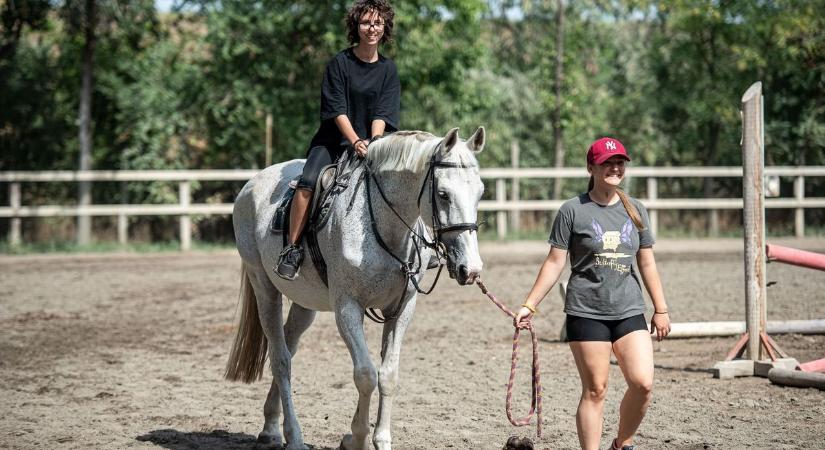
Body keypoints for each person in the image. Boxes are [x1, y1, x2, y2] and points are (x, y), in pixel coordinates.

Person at [514, 137, 671, 450]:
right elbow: (555, 262)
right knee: (596, 390)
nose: (615, 168)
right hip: (586, 311)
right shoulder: (573, 211)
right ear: (591, 168)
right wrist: (530, 304)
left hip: (629, 309)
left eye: (619, 162)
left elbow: (647, 262)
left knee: (642, 383)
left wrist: (661, 308)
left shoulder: (636, 209)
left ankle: (621, 444)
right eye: (607, 163)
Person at [276, 0, 401, 280]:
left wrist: (375, 142)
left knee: (405, 181)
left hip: (373, 144)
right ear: (356, 26)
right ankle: (292, 249)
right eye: (366, 22)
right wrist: (356, 141)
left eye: (378, 23)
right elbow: (337, 110)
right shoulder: (340, 63)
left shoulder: (388, 70)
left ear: (385, 27)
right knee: (308, 182)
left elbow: (383, 112)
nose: (372, 28)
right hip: (333, 142)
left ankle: (412, 249)